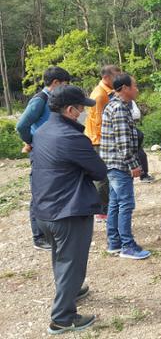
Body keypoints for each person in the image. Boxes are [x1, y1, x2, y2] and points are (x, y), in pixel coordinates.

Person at [31, 85, 107, 335]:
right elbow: (99, 171)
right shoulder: (72, 137)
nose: (84, 112)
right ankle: (62, 318)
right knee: (72, 263)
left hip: (44, 209)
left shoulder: (41, 132)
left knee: (61, 258)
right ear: (70, 110)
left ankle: (71, 290)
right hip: (68, 210)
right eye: (82, 108)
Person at [16, 66, 71, 250]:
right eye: (64, 84)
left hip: (52, 151)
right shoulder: (40, 100)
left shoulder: (53, 99)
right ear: (55, 83)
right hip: (40, 152)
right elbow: (21, 125)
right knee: (39, 193)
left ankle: (53, 231)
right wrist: (31, 140)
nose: (65, 87)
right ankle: (38, 237)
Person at [100, 73, 150, 259]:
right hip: (120, 165)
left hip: (111, 164)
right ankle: (127, 246)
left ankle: (114, 242)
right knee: (126, 204)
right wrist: (133, 165)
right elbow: (123, 143)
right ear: (125, 89)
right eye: (134, 86)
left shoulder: (112, 105)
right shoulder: (120, 108)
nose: (137, 89)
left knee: (115, 203)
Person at [84, 65, 122, 221]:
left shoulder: (108, 92)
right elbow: (100, 121)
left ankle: (106, 207)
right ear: (106, 77)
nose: (118, 80)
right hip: (98, 139)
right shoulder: (100, 95)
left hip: (100, 138)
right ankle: (101, 210)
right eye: (116, 77)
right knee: (102, 175)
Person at [129, 100, 154, 183]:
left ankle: (143, 174)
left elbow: (137, 114)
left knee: (141, 152)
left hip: (132, 129)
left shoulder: (130, 101)